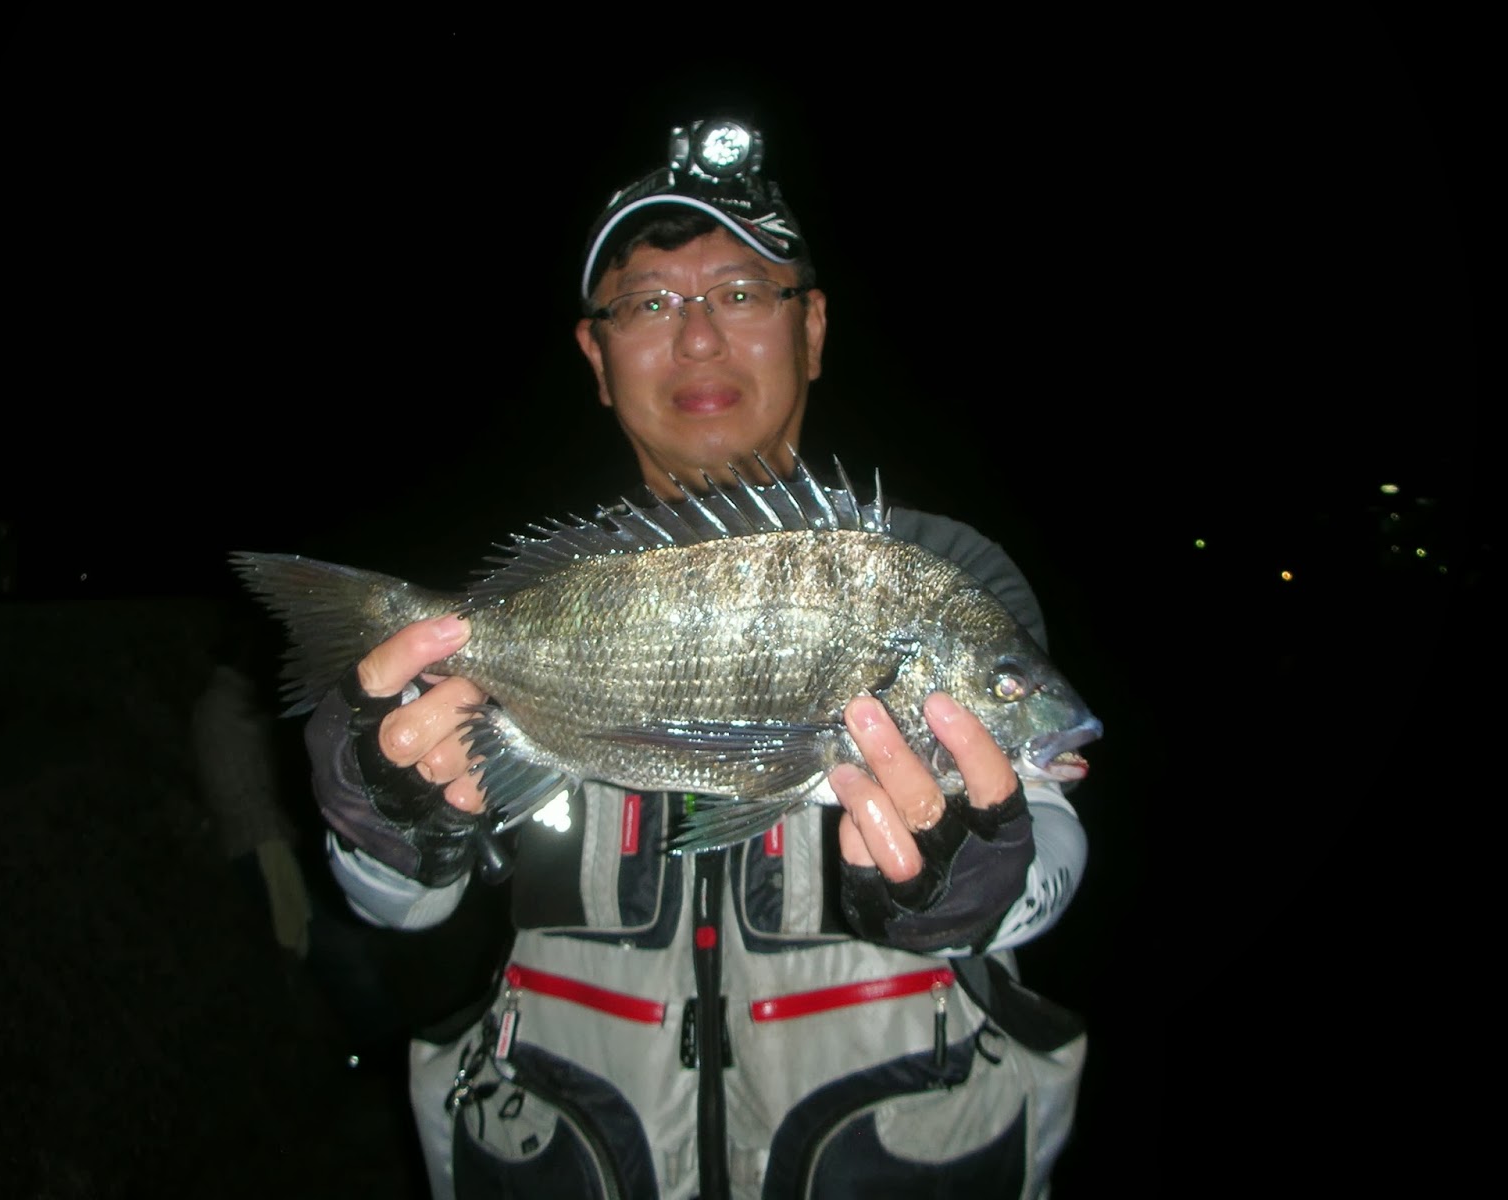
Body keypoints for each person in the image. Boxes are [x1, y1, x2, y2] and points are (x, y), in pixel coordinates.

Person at [302, 117, 1090, 1199]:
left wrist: (977, 888)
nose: (700, 340)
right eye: (648, 305)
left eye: (741, 292)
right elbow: (399, 910)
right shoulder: (539, 606)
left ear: (812, 327)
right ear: (596, 356)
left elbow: (1051, 850)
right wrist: (381, 812)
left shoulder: (944, 575)